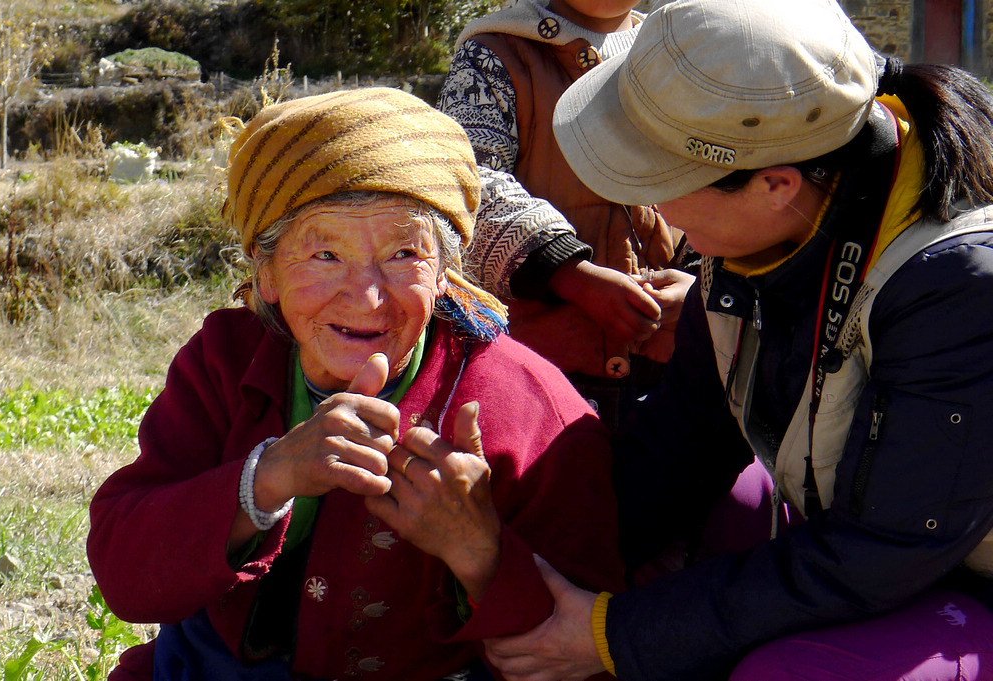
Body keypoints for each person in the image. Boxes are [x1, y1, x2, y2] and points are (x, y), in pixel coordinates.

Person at [482, 0, 993, 679]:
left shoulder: (958, 284)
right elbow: (681, 441)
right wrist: (524, 565)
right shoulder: (758, 237)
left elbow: (883, 548)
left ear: (775, 184)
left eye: (660, 183)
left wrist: (611, 634)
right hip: (870, 541)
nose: (654, 209)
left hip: (954, 575)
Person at [86, 87, 623, 681]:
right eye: (323, 256)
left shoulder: (534, 408)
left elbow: (580, 652)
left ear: (444, 273)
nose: (367, 296)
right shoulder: (226, 360)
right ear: (265, 273)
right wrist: (270, 476)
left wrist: (479, 550)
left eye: (403, 253)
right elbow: (124, 573)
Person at [437, 0, 696, 431]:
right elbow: (464, 183)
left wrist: (701, 285)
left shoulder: (680, 52)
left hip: (668, 363)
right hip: (537, 366)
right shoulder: (494, 55)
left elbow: (719, 179)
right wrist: (569, 273)